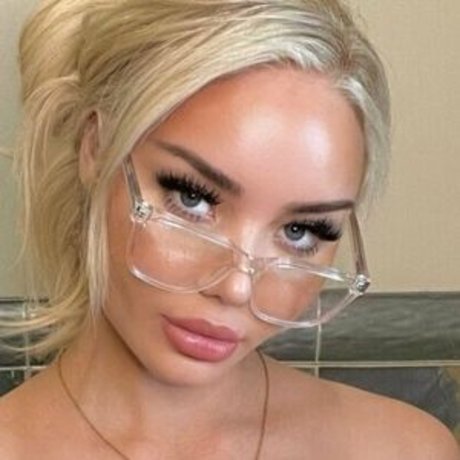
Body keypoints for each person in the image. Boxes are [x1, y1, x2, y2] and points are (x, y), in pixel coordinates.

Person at [0, 0, 458, 458]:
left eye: (300, 231)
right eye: (192, 199)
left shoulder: (405, 450)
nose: (237, 287)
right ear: (95, 148)